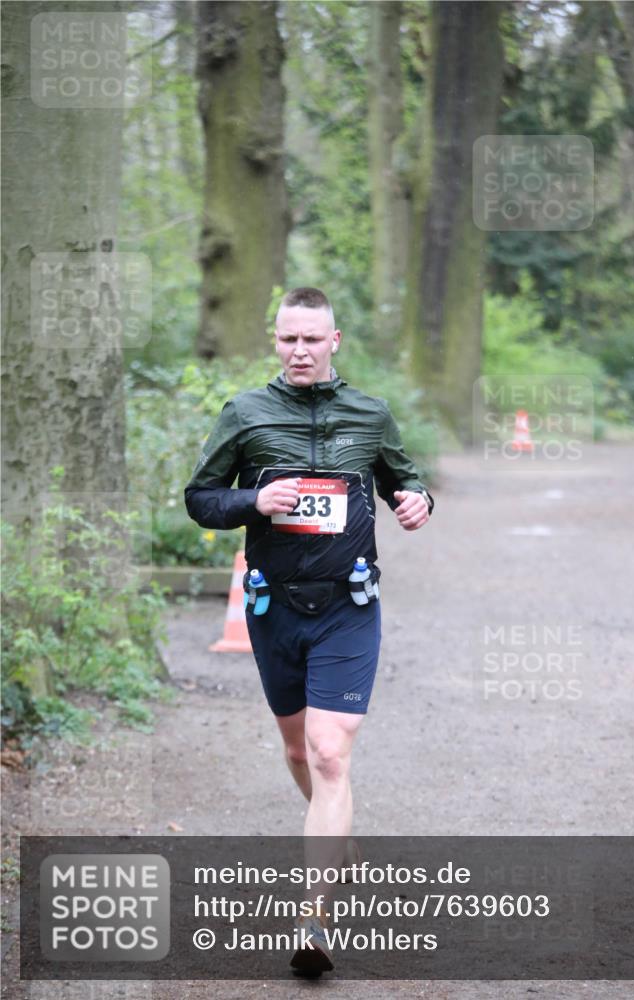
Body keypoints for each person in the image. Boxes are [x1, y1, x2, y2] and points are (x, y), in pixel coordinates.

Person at [184, 287, 434, 975]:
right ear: (276, 341)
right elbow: (199, 499)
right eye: (287, 339)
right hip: (275, 608)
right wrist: (251, 500)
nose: (298, 350)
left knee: (330, 752)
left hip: (349, 604)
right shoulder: (246, 413)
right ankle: (338, 830)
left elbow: (404, 483)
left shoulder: (369, 414)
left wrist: (418, 502)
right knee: (298, 752)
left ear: (334, 341)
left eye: (310, 339)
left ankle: (313, 921)